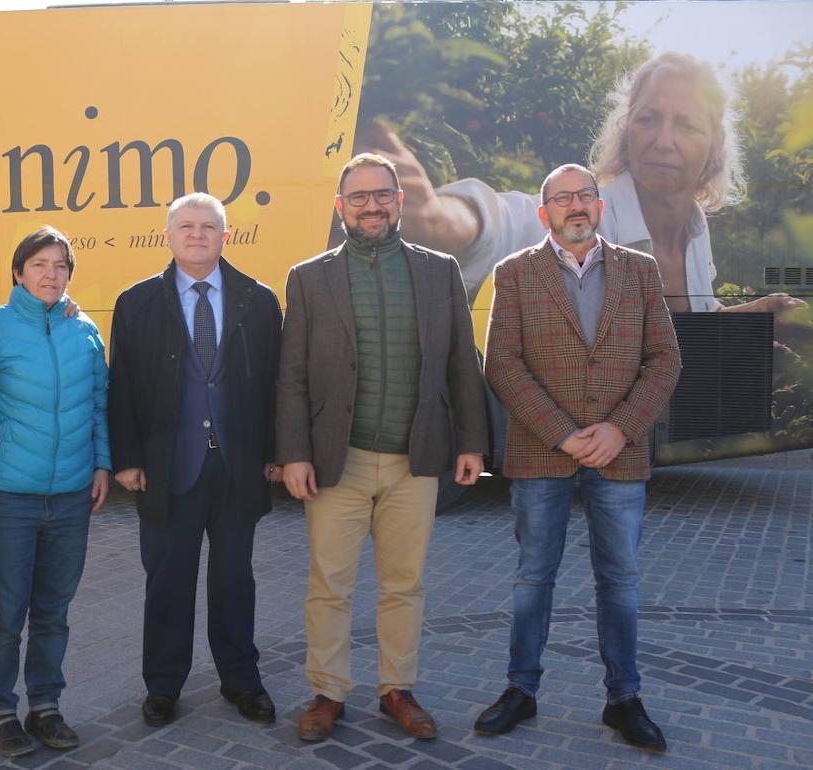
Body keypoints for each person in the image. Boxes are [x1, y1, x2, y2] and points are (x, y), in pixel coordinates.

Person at [276, 153, 488, 742]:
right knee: (330, 585)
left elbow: (460, 366)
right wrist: (294, 453)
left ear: (399, 200)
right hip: (334, 463)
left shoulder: (439, 270)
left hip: (413, 461)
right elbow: (291, 374)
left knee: (403, 584)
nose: (372, 205)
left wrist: (471, 442)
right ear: (339, 206)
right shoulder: (308, 277)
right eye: (359, 196)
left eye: (382, 194)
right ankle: (327, 692)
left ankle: (397, 688)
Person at [474, 164, 681, 752]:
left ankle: (624, 698)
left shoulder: (641, 273)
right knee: (533, 578)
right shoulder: (513, 273)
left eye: (585, 195)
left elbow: (665, 360)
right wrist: (564, 434)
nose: (575, 206)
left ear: (600, 205)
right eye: (561, 198)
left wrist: (619, 428)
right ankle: (520, 689)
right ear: (543, 214)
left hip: (621, 454)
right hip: (543, 455)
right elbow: (503, 364)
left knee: (619, 581)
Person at [363, 52, 804, 314]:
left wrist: (755, 315)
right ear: (628, 130)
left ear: (715, 145)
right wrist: (443, 219)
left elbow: (687, 324)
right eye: (648, 119)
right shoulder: (585, 212)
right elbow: (506, 223)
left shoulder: (695, 231)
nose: (663, 141)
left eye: (686, 125)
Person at [108, 192, 283, 728]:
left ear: (225, 236)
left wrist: (276, 455)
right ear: (168, 235)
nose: (197, 235)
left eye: (208, 227)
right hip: (167, 469)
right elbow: (122, 390)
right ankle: (163, 686)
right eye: (186, 226)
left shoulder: (258, 299)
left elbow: (277, 384)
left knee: (235, 581)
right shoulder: (136, 302)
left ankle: (241, 679)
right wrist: (127, 459)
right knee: (167, 583)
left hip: (237, 468)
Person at [0, 226, 111, 758]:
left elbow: (99, 403)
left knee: (54, 611)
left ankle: (45, 706)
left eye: (61, 266)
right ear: (18, 273)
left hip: (72, 497)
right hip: (6, 497)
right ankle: (1, 712)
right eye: (40, 265)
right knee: (6, 612)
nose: (52, 275)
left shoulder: (85, 331)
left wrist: (102, 465)